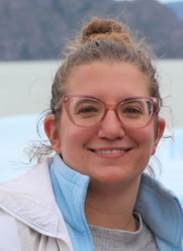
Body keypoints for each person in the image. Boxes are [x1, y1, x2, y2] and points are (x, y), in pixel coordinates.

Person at [0, 17, 182, 251]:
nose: (111, 129)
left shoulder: (172, 238)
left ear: (156, 133)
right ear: (54, 132)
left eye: (131, 109)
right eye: (88, 109)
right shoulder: (9, 230)